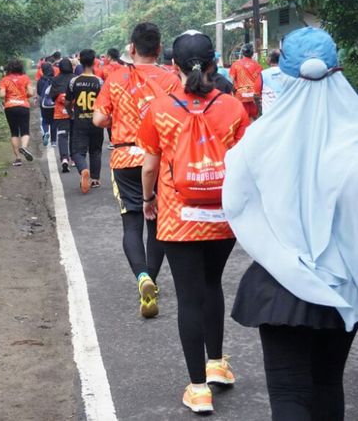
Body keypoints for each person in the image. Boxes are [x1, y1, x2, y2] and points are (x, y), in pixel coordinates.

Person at [224, 27, 358, 421]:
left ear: (282, 71)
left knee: (289, 392)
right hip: (343, 288)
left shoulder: (258, 140)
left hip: (279, 288)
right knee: (328, 384)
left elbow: (235, 204)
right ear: (339, 68)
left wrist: (278, 247)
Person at [137, 31, 249, 413]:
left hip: (179, 217)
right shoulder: (232, 107)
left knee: (189, 298)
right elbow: (243, 161)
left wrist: (149, 202)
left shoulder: (159, 109)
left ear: (174, 66)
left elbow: (150, 165)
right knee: (212, 284)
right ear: (215, 64)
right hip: (221, 216)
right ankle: (217, 364)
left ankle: (198, 388)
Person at [93, 22, 180, 319]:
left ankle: (141, 276)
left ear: (132, 48)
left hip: (125, 158)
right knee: (157, 223)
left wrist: (119, 115)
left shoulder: (115, 78)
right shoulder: (171, 79)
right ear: (158, 49)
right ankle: (151, 280)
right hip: (161, 160)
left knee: (132, 223)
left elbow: (99, 120)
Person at [66, 49, 104, 193]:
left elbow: (68, 102)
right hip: (95, 121)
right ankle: (95, 178)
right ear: (94, 61)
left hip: (80, 121)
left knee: (77, 151)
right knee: (95, 150)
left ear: (80, 61)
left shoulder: (74, 82)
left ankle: (83, 170)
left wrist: (71, 113)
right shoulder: (99, 82)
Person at [0, 58, 35, 166]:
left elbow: (2, 95)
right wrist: (24, 96)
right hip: (23, 106)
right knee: (25, 131)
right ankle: (23, 147)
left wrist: (7, 96)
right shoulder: (25, 78)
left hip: (10, 107)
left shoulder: (5, 79)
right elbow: (31, 93)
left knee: (14, 132)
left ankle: (18, 159)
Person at [51, 58, 76, 171]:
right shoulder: (75, 78)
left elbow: (52, 96)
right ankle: (74, 158)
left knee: (62, 136)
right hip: (74, 110)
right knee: (74, 135)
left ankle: (64, 158)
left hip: (60, 113)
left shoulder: (55, 79)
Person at [229, 43, 262, 119]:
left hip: (240, 96)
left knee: (242, 120)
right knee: (255, 119)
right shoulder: (258, 65)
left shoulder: (235, 64)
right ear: (252, 53)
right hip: (254, 96)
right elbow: (260, 82)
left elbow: (231, 81)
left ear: (242, 53)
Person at [37, 62, 56, 146]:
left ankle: (45, 132)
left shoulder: (40, 80)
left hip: (43, 103)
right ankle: (54, 141)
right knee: (53, 121)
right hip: (54, 103)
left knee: (44, 120)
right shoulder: (55, 79)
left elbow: (39, 92)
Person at [259, 49, 283, 115]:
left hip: (268, 114)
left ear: (269, 60)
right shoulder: (287, 73)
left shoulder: (263, 74)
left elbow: (256, 94)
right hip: (284, 112)